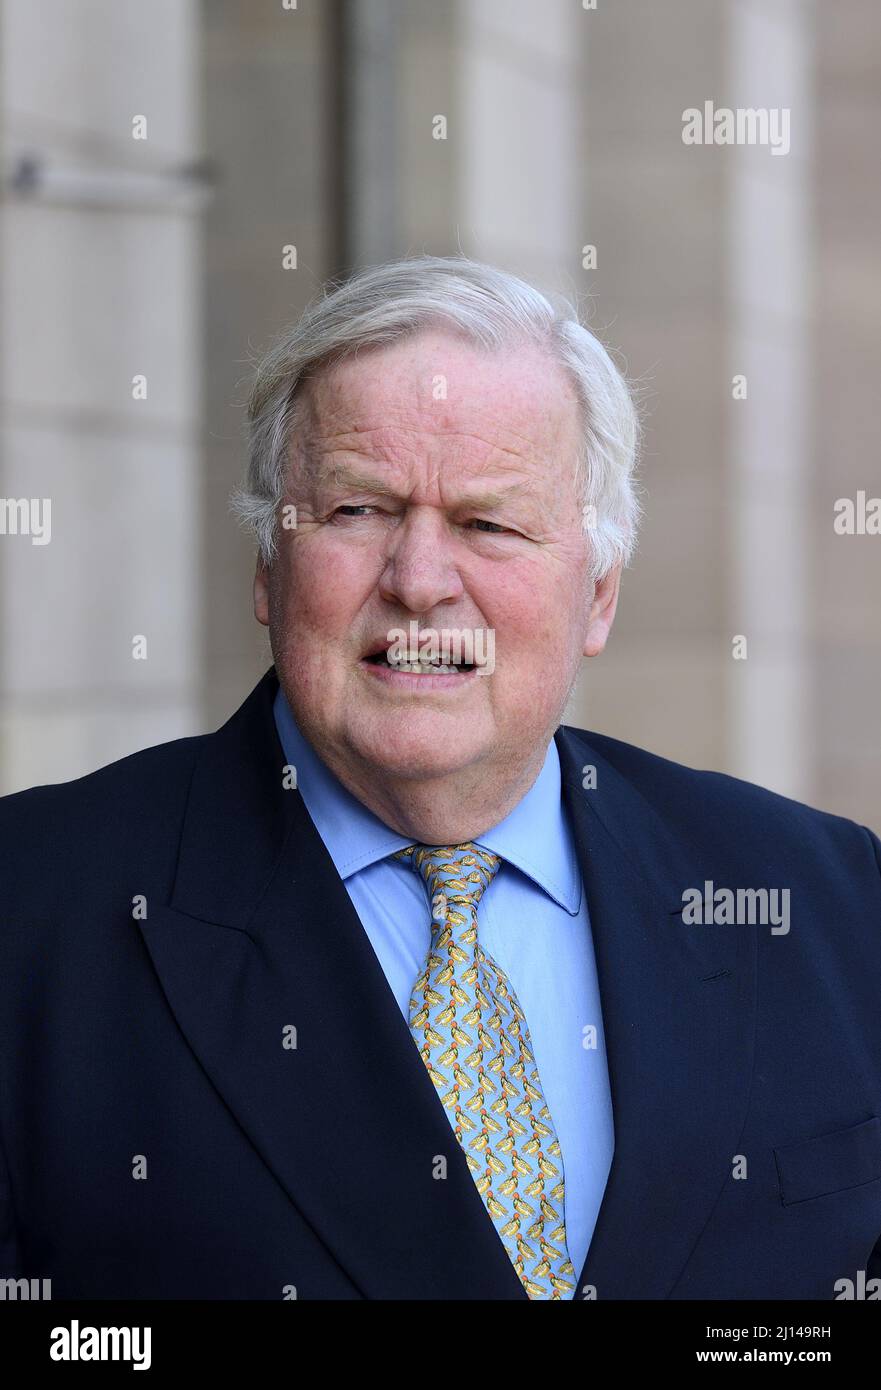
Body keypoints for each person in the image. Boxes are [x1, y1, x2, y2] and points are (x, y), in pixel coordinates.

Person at [1, 256, 879, 1301]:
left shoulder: (822, 897)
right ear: (266, 567)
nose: (419, 582)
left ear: (596, 593)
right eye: (356, 511)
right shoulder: (34, 909)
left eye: (487, 523)